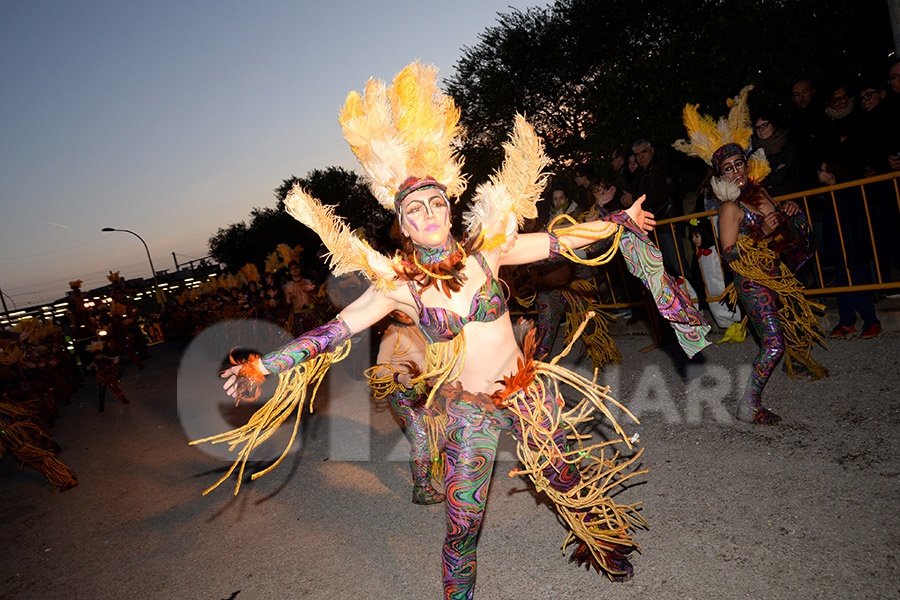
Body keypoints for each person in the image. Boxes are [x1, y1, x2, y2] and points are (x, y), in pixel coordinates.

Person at [199, 63, 709, 598]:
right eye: (414, 208)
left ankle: (599, 541)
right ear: (402, 223)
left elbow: (564, 242)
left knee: (567, 481)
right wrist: (265, 364)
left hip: (527, 391)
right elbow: (335, 330)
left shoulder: (489, 253)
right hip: (468, 409)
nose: (428, 213)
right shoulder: (398, 285)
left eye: (436, 202)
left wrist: (618, 221)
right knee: (463, 526)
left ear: (450, 206)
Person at [675, 85, 826, 426]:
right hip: (751, 282)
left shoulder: (761, 194)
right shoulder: (729, 207)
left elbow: (784, 236)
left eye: (739, 164)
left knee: (787, 329)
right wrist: (765, 232)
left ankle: (796, 363)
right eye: (728, 168)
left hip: (776, 274)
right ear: (720, 175)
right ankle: (749, 404)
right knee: (772, 344)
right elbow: (730, 255)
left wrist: (787, 213)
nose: (736, 171)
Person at [365, 310, 444, 504]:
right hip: (402, 392)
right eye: (398, 310)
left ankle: (438, 469)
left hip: (425, 389)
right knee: (421, 438)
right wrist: (399, 377)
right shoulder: (391, 334)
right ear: (390, 312)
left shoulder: (421, 327)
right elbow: (379, 368)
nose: (404, 313)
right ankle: (422, 490)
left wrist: (435, 373)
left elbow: (432, 353)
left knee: (437, 430)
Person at [817, 159, 882, 340]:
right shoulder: (829, 193)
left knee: (855, 286)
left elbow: (851, 226)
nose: (818, 173)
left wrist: (851, 252)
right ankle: (847, 321)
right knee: (842, 287)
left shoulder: (845, 193)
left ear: (831, 174)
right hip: (841, 249)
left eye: (821, 170)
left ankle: (872, 321)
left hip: (851, 249)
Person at [631, 138, 686, 277]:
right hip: (653, 230)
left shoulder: (663, 167)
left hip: (668, 225)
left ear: (652, 151)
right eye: (637, 154)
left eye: (643, 152)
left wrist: (636, 199)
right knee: (667, 271)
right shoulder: (639, 174)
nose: (640, 156)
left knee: (679, 268)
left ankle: (695, 297)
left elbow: (664, 192)